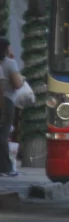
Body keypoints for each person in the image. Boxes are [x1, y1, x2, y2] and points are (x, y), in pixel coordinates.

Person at [0, 38, 22, 177]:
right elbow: (18, 84)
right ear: (6, 48)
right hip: (6, 100)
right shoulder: (9, 63)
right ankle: (6, 167)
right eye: (10, 47)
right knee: (3, 134)